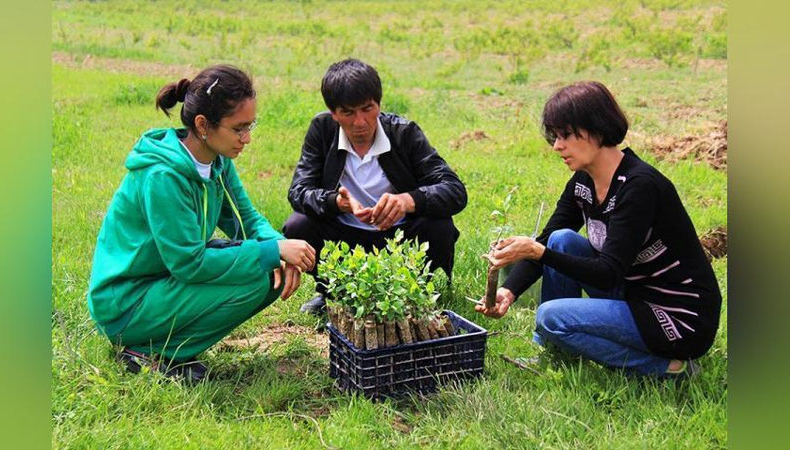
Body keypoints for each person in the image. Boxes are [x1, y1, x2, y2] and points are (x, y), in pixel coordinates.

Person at [476, 81, 722, 378]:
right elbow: (547, 242)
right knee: (561, 240)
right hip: (633, 293)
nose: (557, 146)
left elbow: (607, 273)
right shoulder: (584, 181)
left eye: (566, 135)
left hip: (677, 317)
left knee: (551, 316)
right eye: (555, 136)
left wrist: (538, 251)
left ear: (597, 128)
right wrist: (509, 290)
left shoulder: (639, 186)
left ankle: (668, 368)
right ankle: (554, 355)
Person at [87, 65, 316, 382]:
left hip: (163, 282)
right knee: (260, 268)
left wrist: (278, 248)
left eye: (250, 126)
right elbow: (188, 263)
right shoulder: (163, 176)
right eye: (238, 129)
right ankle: (149, 352)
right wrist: (272, 250)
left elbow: (246, 219)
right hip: (127, 303)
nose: (247, 138)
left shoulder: (217, 161)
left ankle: (167, 349)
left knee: (268, 274)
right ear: (203, 125)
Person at [283, 58, 468, 316]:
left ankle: (412, 291)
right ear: (333, 113)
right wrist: (336, 202)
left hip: (399, 238)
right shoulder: (322, 130)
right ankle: (332, 292)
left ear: (378, 104)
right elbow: (299, 191)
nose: (360, 122)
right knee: (298, 224)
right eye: (348, 113)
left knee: (440, 225)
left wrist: (408, 200)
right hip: (343, 236)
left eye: (367, 109)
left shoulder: (403, 133)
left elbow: (455, 190)